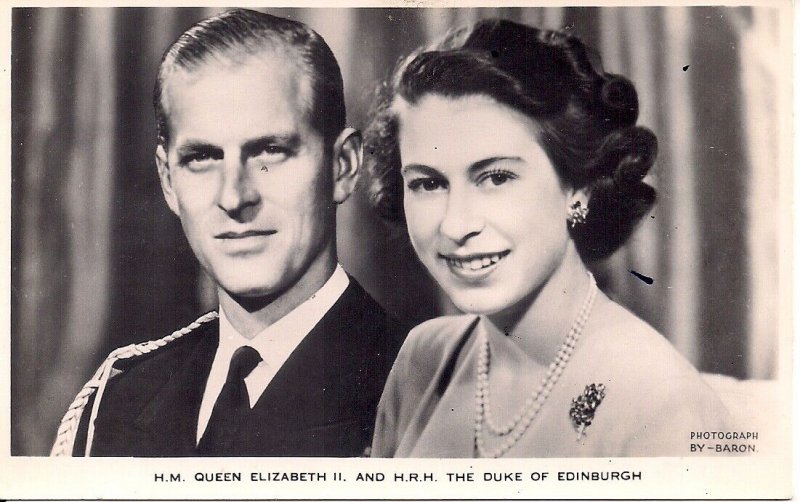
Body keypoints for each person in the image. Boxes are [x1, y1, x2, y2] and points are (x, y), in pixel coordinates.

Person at [364, 18, 732, 457]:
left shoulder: (663, 405)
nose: (456, 225)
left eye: (496, 177)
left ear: (578, 187)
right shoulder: (423, 361)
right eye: (427, 183)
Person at [50, 8, 405, 457]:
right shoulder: (118, 398)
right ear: (167, 182)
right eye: (202, 157)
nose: (234, 197)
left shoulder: (415, 394)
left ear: (342, 167)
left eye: (270, 151)